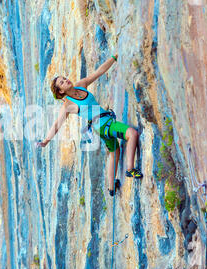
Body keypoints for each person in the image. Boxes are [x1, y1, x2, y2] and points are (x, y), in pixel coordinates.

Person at [37, 54, 143, 196]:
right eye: (62, 83)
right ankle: (130, 169)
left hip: (102, 126)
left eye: (64, 78)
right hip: (104, 126)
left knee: (114, 152)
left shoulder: (81, 85)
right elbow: (56, 124)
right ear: (61, 91)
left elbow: (99, 71)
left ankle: (111, 188)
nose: (66, 80)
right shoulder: (68, 105)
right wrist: (45, 141)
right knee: (132, 133)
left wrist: (114, 58)